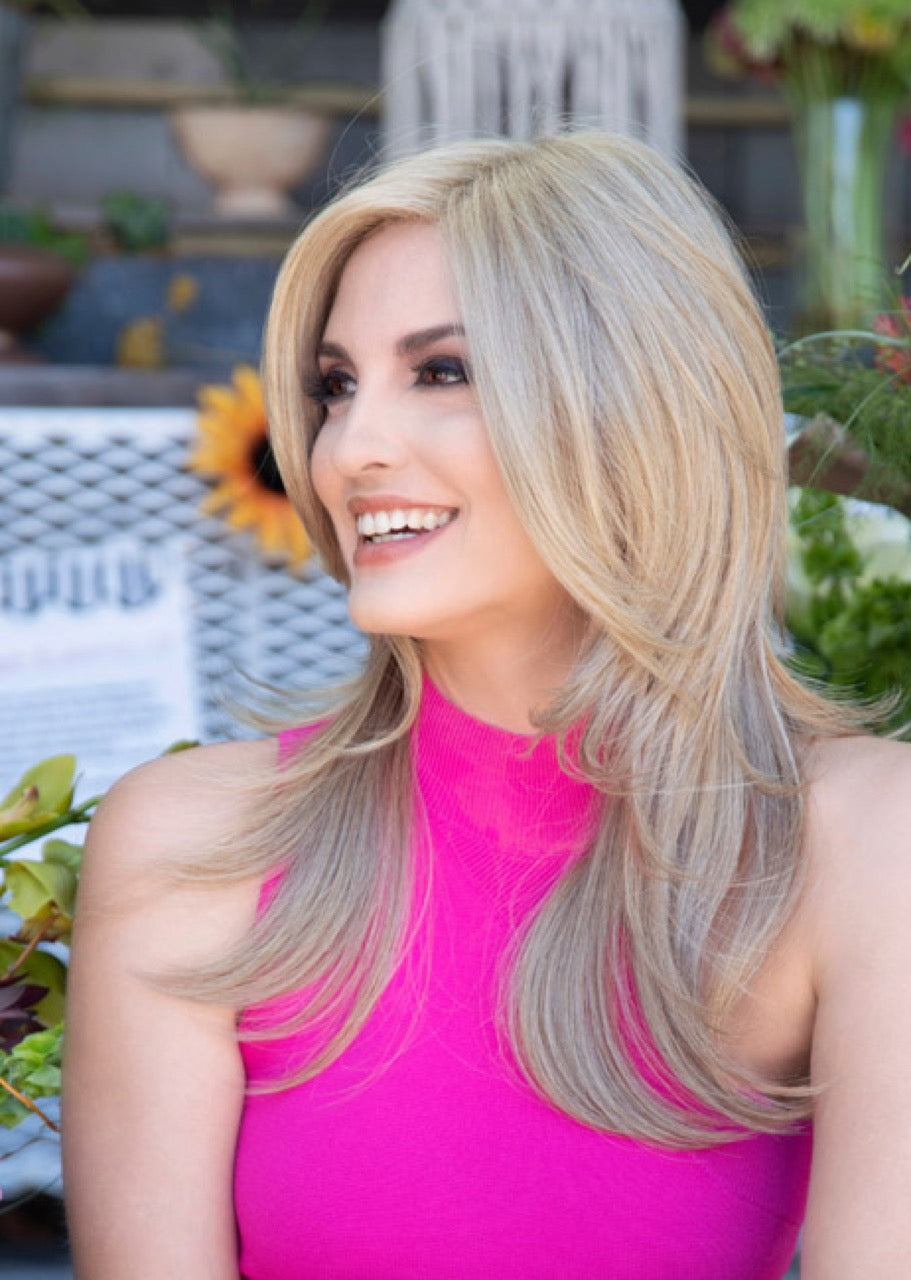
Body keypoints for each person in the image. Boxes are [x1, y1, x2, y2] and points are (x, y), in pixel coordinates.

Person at [62, 132, 911, 1279]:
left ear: (632, 410)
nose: (348, 449)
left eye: (442, 372)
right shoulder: (193, 843)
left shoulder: (857, 839)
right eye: (335, 386)